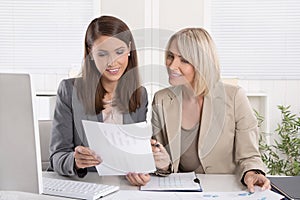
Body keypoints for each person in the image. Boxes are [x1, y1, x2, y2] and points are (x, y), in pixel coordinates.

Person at [127, 28, 271, 192]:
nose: (172, 65)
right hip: (181, 190)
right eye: (170, 56)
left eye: (184, 60)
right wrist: (161, 162)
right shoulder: (162, 99)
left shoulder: (234, 97)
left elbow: (249, 155)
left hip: (225, 189)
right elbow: (161, 160)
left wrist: (252, 173)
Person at [50, 15, 150, 185]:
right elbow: (57, 157)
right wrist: (75, 161)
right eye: (102, 54)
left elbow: (136, 154)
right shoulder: (69, 91)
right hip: (84, 186)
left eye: (119, 52)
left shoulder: (139, 95)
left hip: (124, 188)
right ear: (90, 53)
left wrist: (142, 169)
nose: (112, 62)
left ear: (130, 49)